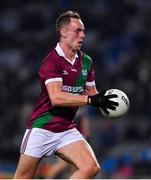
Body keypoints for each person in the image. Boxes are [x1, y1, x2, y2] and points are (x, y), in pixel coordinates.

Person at [14, 10, 119, 179]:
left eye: (83, 30)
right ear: (63, 32)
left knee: (90, 167)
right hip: (42, 128)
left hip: (66, 129)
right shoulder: (52, 60)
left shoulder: (86, 61)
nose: (83, 35)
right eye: (78, 30)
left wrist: (107, 104)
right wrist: (92, 100)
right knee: (22, 177)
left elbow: (93, 93)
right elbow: (56, 97)